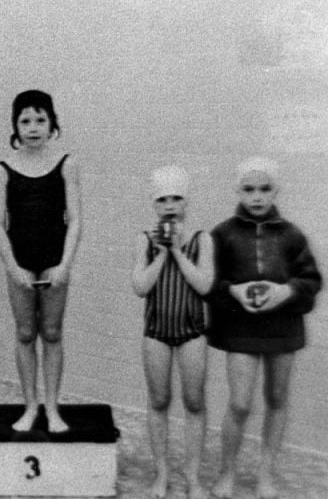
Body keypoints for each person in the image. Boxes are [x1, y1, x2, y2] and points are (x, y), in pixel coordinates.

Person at [209, 157, 321, 499]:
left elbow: (311, 279)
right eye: (249, 189)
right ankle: (226, 472)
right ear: (237, 190)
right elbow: (209, 283)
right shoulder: (222, 234)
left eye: (265, 188)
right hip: (240, 327)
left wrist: (286, 291)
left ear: (276, 190)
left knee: (276, 398)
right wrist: (234, 291)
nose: (257, 196)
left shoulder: (291, 234)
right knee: (240, 403)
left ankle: (265, 473)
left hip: (282, 327)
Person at [0, 90, 81, 433]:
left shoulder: (66, 164)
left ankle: (53, 409)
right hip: (21, 260)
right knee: (26, 332)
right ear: (15, 126)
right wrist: (13, 267)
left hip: (55, 259)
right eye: (25, 120)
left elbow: (75, 219)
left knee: (53, 333)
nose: (33, 127)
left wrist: (65, 264)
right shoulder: (2, 170)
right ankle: (30, 406)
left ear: (52, 124)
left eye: (40, 120)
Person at [131, 166, 214, 499]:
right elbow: (139, 286)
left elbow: (205, 285)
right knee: (159, 400)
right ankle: (162, 473)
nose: (169, 205)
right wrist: (163, 252)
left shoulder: (200, 239)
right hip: (156, 333)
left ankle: (192, 476)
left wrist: (178, 250)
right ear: (154, 205)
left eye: (176, 198)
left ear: (186, 202)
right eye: (162, 199)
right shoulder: (145, 240)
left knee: (194, 402)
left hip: (192, 331)